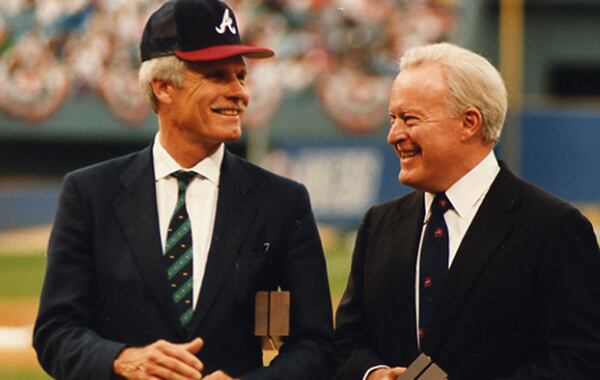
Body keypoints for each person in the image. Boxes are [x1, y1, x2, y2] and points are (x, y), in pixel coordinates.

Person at [33, 0, 335, 379]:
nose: (238, 91)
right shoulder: (89, 193)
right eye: (217, 75)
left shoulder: (282, 201)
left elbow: (317, 346)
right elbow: (55, 332)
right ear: (162, 87)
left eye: (240, 76)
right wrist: (122, 359)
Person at [334, 42, 600, 380]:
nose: (393, 135)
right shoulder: (380, 224)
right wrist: (372, 374)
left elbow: (580, 359)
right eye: (392, 119)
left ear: (469, 122)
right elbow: (347, 342)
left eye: (409, 119)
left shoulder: (553, 227)